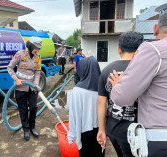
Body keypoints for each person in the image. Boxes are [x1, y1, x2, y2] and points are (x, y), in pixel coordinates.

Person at [110, 5, 167, 157]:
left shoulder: (153, 50)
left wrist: (117, 86)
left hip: (160, 140)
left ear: (155, 29)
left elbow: (122, 97)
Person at [97, 32, 143, 157]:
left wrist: (101, 130)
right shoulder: (144, 70)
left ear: (119, 50)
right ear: (139, 50)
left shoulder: (107, 70)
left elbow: (101, 103)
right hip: (136, 131)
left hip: (113, 129)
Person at [68, 57, 104, 157]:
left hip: (84, 131)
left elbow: (73, 114)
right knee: (99, 153)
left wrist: (72, 134)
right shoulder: (102, 88)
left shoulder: (78, 90)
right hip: (100, 130)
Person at [7, 37, 42, 141]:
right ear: (30, 46)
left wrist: (36, 84)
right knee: (22, 109)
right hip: (20, 87)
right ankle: (26, 129)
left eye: (38, 48)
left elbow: (38, 72)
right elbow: (10, 67)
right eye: (35, 48)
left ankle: (32, 127)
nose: (37, 50)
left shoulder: (38, 57)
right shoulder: (20, 54)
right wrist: (16, 79)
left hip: (32, 87)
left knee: (33, 107)